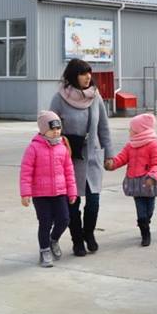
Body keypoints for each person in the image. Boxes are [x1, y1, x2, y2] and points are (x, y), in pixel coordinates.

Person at [50, 59, 114, 257]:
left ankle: (89, 234)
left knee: (93, 200)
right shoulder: (59, 98)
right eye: (83, 73)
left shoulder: (95, 97)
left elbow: (104, 127)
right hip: (70, 159)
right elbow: (49, 127)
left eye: (89, 73)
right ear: (73, 76)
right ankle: (77, 240)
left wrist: (109, 154)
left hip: (93, 157)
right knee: (73, 203)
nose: (88, 77)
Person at [20, 111, 77, 267]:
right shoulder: (34, 147)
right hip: (41, 194)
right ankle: (44, 250)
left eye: (58, 129)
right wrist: (25, 193)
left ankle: (53, 239)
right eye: (53, 129)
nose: (56, 132)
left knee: (64, 219)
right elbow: (26, 172)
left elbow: (69, 172)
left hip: (60, 192)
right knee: (45, 222)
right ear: (43, 130)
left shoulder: (62, 148)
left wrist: (72, 192)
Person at [105, 113, 157, 247]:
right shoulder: (130, 146)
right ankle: (145, 233)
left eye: (132, 129)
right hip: (135, 184)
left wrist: (153, 176)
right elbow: (121, 158)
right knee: (141, 210)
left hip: (149, 183)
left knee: (150, 209)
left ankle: (146, 222)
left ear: (140, 130)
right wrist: (112, 164)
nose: (129, 131)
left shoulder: (153, 145)